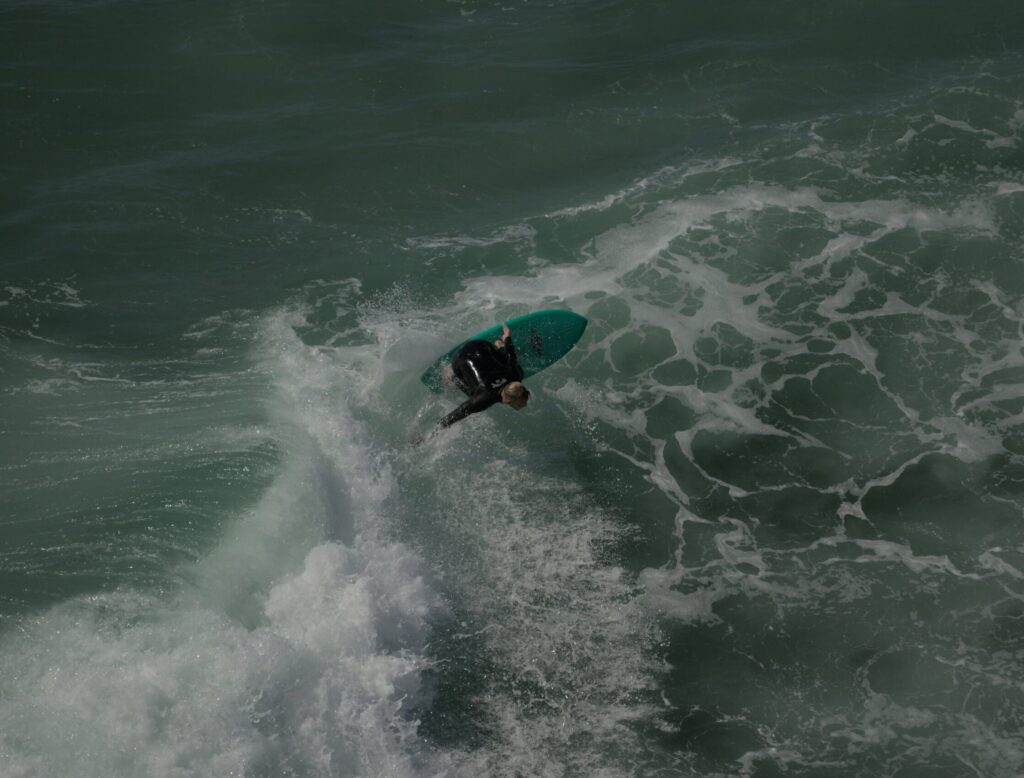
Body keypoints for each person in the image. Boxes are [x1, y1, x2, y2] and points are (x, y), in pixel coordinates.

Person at [438, 322, 530, 428]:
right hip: (459, 356)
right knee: (473, 394)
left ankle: (499, 344)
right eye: (519, 404)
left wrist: (507, 336)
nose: (524, 405)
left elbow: (511, 356)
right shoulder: (484, 398)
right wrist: (430, 435)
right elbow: (456, 414)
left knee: (515, 367)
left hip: (481, 345)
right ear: (509, 401)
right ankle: (451, 375)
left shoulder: (516, 375)